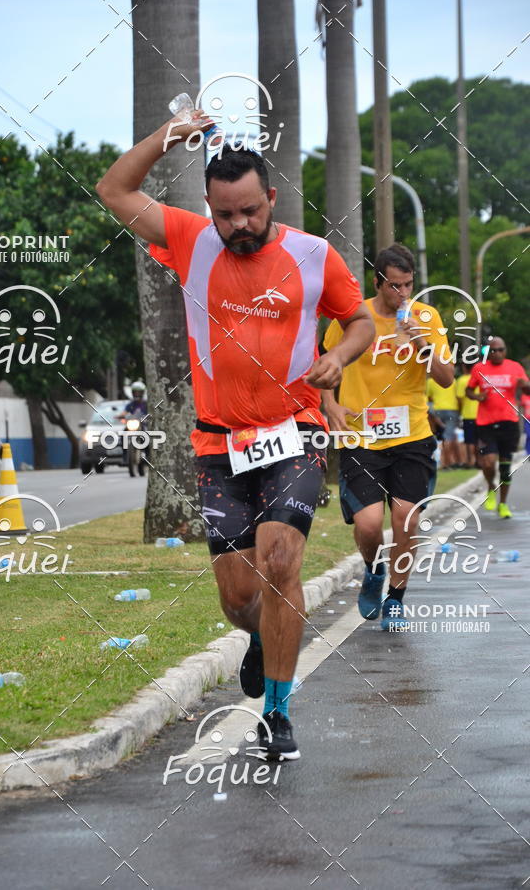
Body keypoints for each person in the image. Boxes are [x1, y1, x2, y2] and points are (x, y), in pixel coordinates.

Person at [96, 116, 374, 760]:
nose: (238, 225)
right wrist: (168, 136)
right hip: (218, 443)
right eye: (225, 215)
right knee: (239, 596)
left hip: (295, 432)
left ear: (270, 199)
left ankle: (277, 714)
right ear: (209, 211)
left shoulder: (313, 256)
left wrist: (341, 359)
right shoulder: (191, 241)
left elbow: (358, 320)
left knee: (281, 564)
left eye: (249, 211)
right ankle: (260, 636)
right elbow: (113, 190)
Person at [323, 243, 454, 632]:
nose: (402, 294)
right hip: (361, 435)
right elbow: (325, 362)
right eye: (394, 286)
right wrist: (329, 405)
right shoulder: (353, 317)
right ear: (377, 282)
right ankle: (373, 569)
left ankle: (396, 598)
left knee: (404, 517)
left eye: (408, 285)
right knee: (368, 524)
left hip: (412, 434)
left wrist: (420, 342)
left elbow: (446, 378)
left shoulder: (426, 317)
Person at [466, 337, 530, 518]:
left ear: (505, 350)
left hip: (508, 423)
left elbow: (527, 390)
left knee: (504, 467)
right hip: (485, 423)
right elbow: (468, 391)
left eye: (500, 350)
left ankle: (503, 504)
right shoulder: (479, 368)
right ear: (489, 352)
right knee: (487, 462)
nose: (497, 353)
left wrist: (526, 386)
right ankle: (491, 487)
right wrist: (477, 397)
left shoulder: (515, 367)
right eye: (493, 350)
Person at [426, 376, 461, 469]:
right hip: (452, 409)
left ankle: (444, 461)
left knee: (441, 437)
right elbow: (458, 396)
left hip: (437, 410)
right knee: (449, 437)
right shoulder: (453, 380)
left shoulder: (431, 381)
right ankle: (448, 462)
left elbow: (429, 398)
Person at [456, 362, 479, 468]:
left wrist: (460, 410)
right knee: (479, 439)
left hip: (468, 413)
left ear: (464, 367)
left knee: (469, 440)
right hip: (480, 414)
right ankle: (479, 460)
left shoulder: (461, 380)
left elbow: (459, 398)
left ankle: (471, 461)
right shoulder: (478, 378)